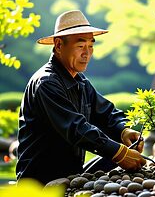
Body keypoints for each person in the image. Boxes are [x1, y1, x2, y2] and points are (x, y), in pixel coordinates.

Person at [16, 10, 146, 184]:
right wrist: (120, 154)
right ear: (59, 45)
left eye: (90, 45)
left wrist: (124, 130)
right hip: (40, 182)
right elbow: (76, 128)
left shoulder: (80, 80)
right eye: (80, 46)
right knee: (117, 152)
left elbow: (106, 112)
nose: (87, 53)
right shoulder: (46, 83)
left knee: (121, 144)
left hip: (71, 174)